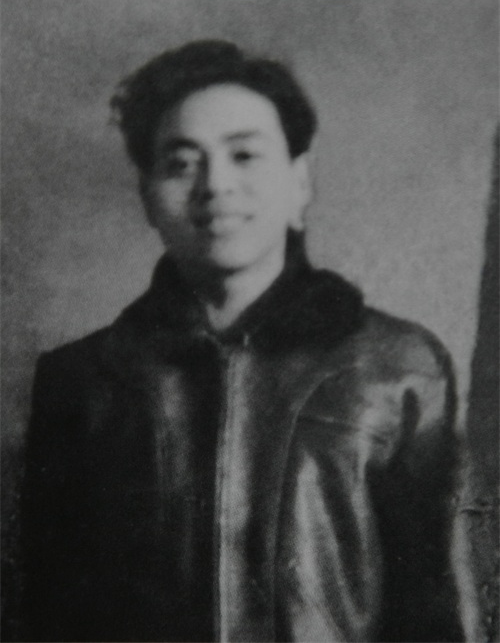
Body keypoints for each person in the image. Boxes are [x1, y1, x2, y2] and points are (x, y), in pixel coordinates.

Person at [21, 40, 466, 642]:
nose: (216, 186)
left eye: (245, 155)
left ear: (299, 181)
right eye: (182, 163)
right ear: (147, 196)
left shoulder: (399, 368)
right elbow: (46, 614)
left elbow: (437, 609)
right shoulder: (80, 380)